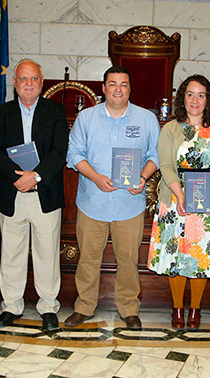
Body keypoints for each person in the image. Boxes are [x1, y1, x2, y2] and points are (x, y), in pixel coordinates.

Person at [65, 66, 159, 330]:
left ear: (130, 88)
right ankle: (84, 306)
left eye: (124, 85)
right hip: (92, 201)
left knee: (128, 259)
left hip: (129, 204)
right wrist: (95, 177)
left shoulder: (146, 119)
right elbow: (73, 154)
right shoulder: (86, 118)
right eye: (113, 84)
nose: (118, 89)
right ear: (103, 88)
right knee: (88, 258)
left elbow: (156, 154)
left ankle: (129, 308)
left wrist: (143, 177)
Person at [147, 74, 210, 329]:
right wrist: (180, 195)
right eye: (190, 94)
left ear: (208, 99)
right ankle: (176, 309)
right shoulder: (171, 128)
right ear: (182, 98)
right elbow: (165, 165)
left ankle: (195, 309)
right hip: (176, 203)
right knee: (176, 258)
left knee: (201, 258)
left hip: (209, 203)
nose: (195, 100)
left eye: (201, 95)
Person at [0, 58, 68, 331]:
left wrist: (34, 176)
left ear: (42, 82)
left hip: (44, 193)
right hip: (12, 194)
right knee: (11, 253)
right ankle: (11, 306)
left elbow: (60, 152)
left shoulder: (56, 111)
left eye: (33, 78)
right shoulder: (0, 113)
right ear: (15, 83)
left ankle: (48, 307)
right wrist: (17, 178)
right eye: (23, 78)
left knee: (47, 254)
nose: (29, 83)